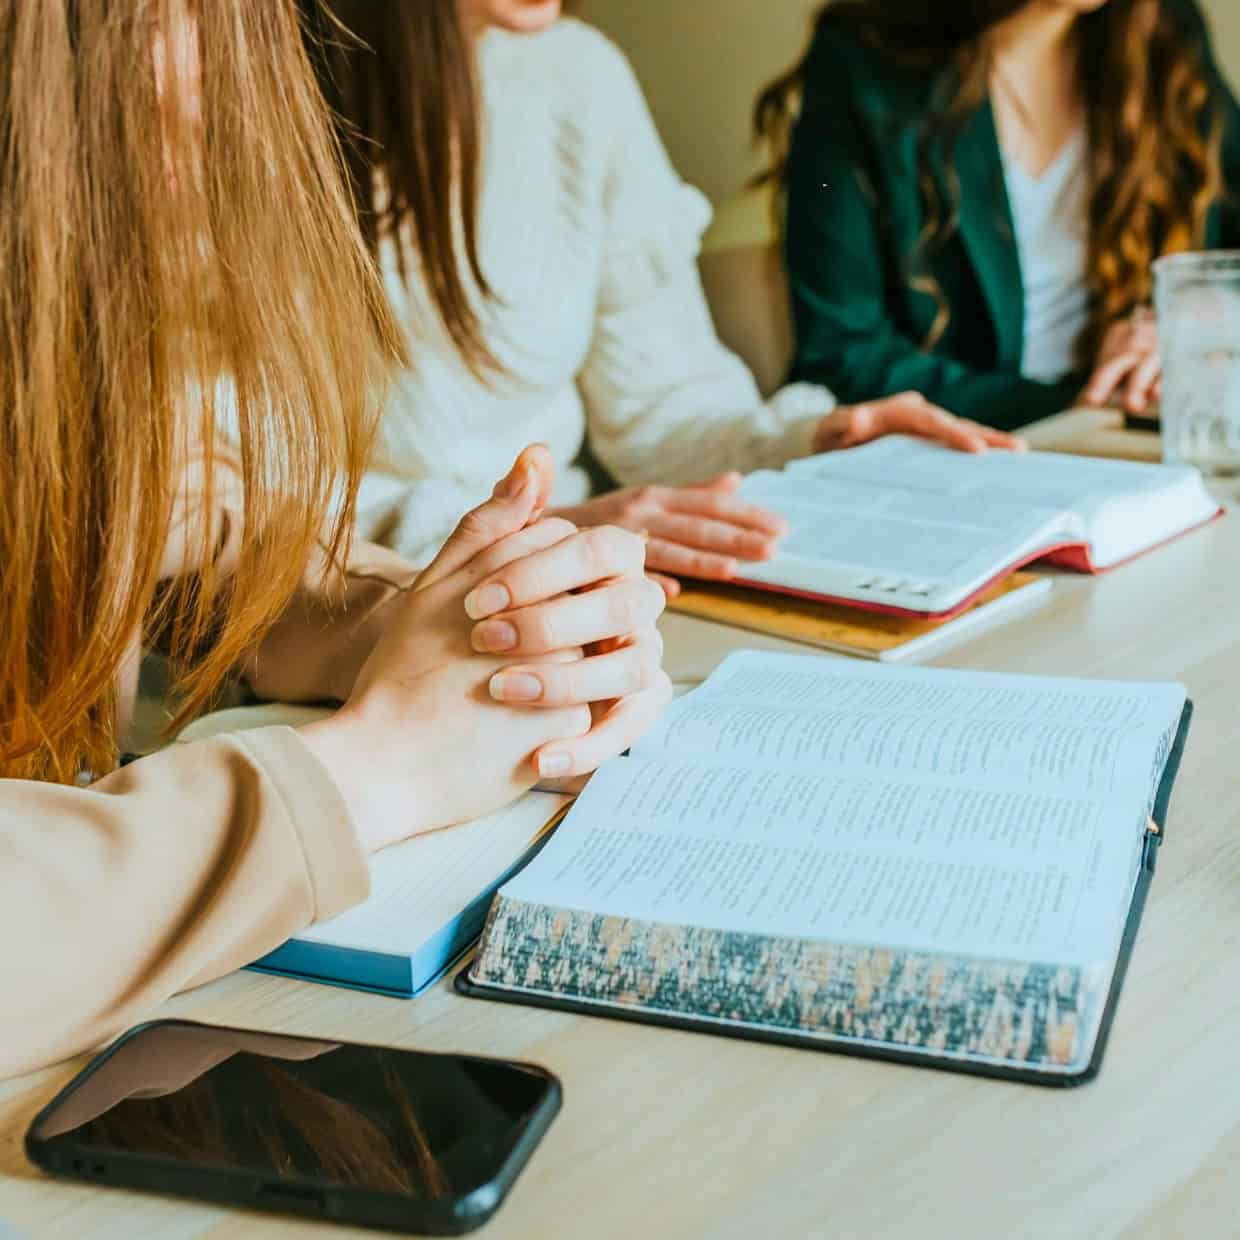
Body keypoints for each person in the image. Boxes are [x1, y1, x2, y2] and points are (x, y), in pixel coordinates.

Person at [0, 0, 667, 1080]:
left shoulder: (72, 330)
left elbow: (212, 548)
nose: (231, 92)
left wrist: (460, 628)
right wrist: (375, 768)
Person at [307, 0, 1021, 596]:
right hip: (338, 621)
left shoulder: (578, 75)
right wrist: (545, 531)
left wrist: (809, 444)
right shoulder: (262, 99)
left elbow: (664, 408)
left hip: (549, 587)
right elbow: (242, 526)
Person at [758, 0, 1240, 428]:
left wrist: (1186, 325)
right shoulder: (862, 58)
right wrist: (1080, 406)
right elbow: (840, 353)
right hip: (972, 453)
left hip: (1140, 436)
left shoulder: (1164, 29)